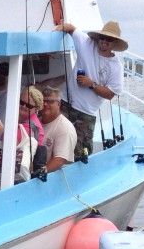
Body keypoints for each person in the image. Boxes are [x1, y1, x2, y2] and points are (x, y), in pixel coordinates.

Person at [54, 20, 127, 157]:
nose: (104, 42)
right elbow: (71, 28)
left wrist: (91, 84)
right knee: (57, 143)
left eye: (109, 40)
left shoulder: (116, 67)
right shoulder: (87, 43)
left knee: (81, 152)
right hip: (64, 102)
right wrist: (56, 29)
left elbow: (110, 94)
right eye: (102, 38)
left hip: (86, 113)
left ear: (114, 43)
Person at [0, 87, 41, 189]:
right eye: (21, 102)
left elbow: (9, 143)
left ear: (36, 109)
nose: (23, 106)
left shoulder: (32, 125)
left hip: (18, 177)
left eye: (28, 105)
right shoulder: (20, 119)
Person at [38, 85, 77, 172]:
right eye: (43, 101)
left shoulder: (65, 128)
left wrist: (38, 174)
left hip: (46, 179)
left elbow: (59, 160)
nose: (45, 104)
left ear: (59, 104)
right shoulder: (35, 121)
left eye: (50, 101)